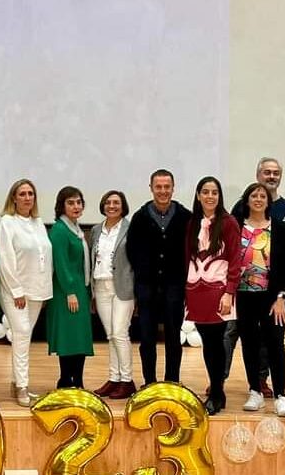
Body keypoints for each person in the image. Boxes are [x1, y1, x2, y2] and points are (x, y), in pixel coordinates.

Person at [226, 157, 285, 396]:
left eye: (262, 197)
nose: (258, 200)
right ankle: (254, 389)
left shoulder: (281, 225)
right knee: (248, 343)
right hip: (243, 296)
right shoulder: (235, 223)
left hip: (272, 297)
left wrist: (282, 296)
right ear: (247, 200)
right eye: (254, 196)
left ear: (268, 202)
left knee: (275, 344)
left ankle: (279, 394)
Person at [127, 169, 192, 386]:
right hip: (147, 289)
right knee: (147, 339)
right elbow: (132, 251)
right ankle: (150, 382)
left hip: (175, 288)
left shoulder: (185, 217)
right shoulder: (140, 217)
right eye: (158, 187)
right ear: (151, 188)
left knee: (174, 338)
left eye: (167, 187)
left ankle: (172, 380)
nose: (163, 191)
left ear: (173, 188)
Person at [183, 177, 241, 415]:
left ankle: (217, 392)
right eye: (205, 192)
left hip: (218, 291)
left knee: (217, 342)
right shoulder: (191, 223)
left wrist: (229, 292)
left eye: (214, 192)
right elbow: (187, 256)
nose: (210, 196)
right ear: (198, 195)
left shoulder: (228, 223)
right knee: (207, 342)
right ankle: (217, 390)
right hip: (196, 291)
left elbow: (236, 259)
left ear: (219, 196)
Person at [0, 178, 53, 406]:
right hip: (15, 291)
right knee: (20, 334)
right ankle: (22, 386)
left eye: (31, 194)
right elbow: (4, 259)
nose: (27, 198)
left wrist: (43, 289)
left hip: (37, 291)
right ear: (14, 198)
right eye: (22, 194)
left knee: (25, 338)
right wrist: (16, 290)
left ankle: (16, 381)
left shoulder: (38, 223)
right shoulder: (6, 224)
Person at [47, 186, 94, 389]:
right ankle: (66, 379)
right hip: (68, 292)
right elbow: (61, 263)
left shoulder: (76, 229)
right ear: (61, 206)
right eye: (70, 202)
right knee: (68, 338)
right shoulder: (59, 230)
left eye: (78, 202)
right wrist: (70, 292)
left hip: (80, 291)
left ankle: (78, 380)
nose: (76, 206)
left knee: (79, 338)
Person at [90, 190, 135, 400]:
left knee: (119, 332)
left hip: (123, 287)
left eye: (116, 202)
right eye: (108, 202)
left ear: (123, 205)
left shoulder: (130, 229)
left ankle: (127, 380)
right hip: (100, 285)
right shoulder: (97, 230)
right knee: (110, 335)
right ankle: (114, 378)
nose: (112, 206)